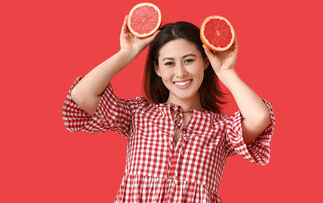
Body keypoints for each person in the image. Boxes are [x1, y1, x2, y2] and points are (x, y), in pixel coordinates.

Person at [62, 15, 275, 202]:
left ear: (205, 62)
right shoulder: (137, 115)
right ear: (157, 68)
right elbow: (82, 95)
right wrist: (126, 53)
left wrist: (226, 71)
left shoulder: (221, 129)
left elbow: (258, 118)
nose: (180, 73)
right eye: (169, 63)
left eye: (189, 60)